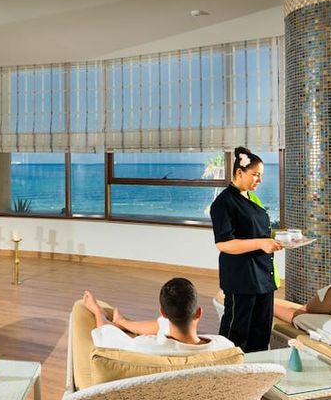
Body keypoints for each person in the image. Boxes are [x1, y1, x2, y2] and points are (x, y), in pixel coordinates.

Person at [210, 146, 282, 352]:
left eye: (261, 175)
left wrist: (279, 239)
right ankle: (228, 367)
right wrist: (261, 243)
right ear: (239, 172)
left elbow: (257, 231)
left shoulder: (251, 197)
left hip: (263, 277)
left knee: (261, 332)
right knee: (236, 334)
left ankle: (257, 367)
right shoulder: (223, 203)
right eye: (255, 175)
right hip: (241, 278)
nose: (259, 180)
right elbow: (223, 243)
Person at [82, 277, 234, 354]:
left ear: (163, 313)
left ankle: (116, 320)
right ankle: (122, 322)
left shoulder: (143, 346)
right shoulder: (224, 346)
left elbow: (104, 335)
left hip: (163, 340)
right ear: (199, 312)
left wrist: (97, 311)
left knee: (108, 331)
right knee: (166, 325)